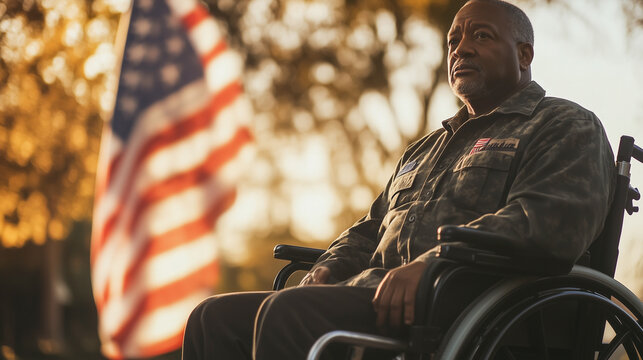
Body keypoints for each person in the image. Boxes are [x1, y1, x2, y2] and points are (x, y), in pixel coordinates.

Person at [182, 0, 615, 358]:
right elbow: (371, 227)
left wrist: (434, 261)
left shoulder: (563, 124)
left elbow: (545, 225)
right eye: (453, 40)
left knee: (290, 314)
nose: (460, 49)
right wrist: (329, 265)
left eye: (481, 36)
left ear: (524, 55)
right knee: (212, 319)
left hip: (475, 307)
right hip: (376, 296)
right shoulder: (426, 148)